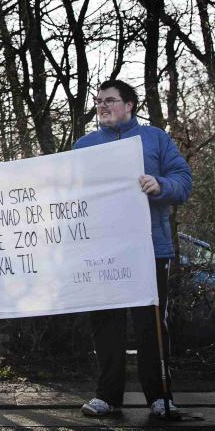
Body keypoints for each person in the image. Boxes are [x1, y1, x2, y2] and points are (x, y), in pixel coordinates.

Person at [74, 80, 192, 420]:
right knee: (106, 324)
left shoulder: (155, 138)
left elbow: (183, 180)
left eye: (110, 100)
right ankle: (107, 397)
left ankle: (159, 397)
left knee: (150, 326)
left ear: (129, 105)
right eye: (98, 102)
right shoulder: (84, 146)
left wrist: (161, 184)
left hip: (151, 249)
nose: (102, 106)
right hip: (102, 251)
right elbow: (68, 192)